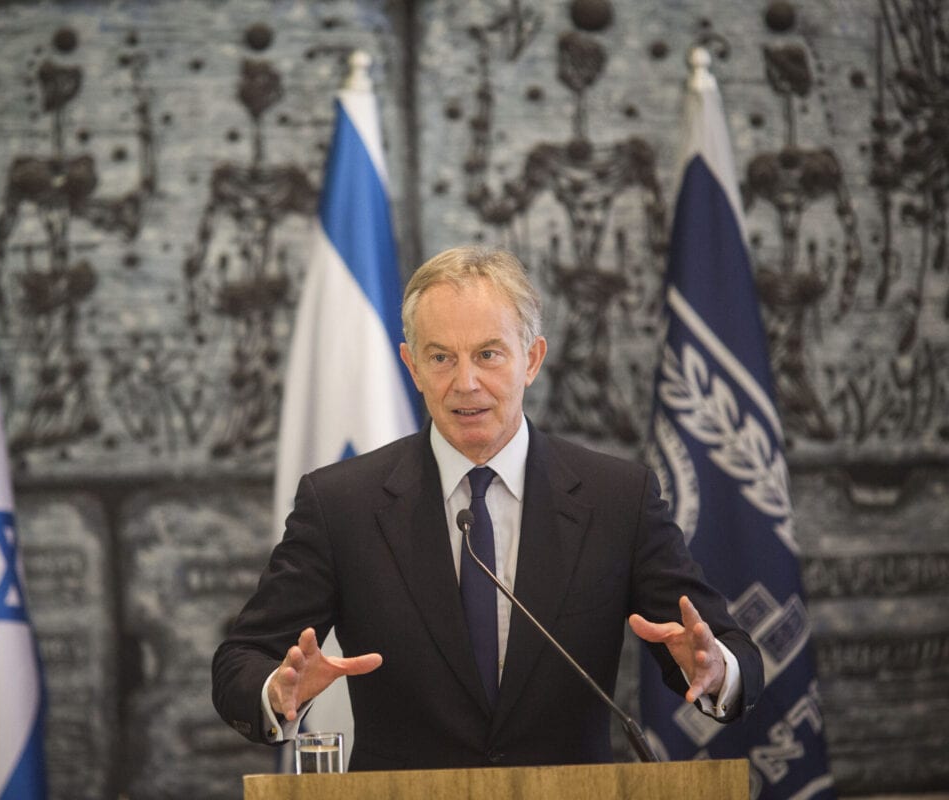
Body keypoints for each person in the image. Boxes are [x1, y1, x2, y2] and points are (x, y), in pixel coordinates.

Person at [212, 246, 763, 770]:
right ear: (412, 367)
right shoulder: (342, 504)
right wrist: (276, 690)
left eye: (488, 354)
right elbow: (242, 660)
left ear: (532, 359)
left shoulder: (617, 498)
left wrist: (716, 670)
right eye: (441, 358)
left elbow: (731, 649)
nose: (466, 382)